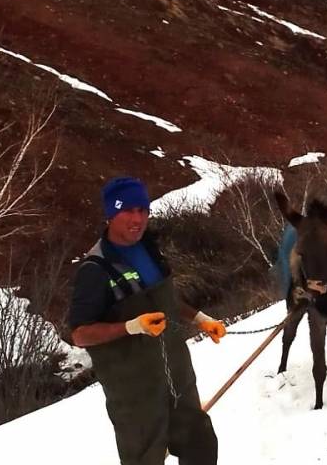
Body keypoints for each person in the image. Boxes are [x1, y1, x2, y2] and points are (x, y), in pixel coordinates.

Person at [68, 177, 227, 465]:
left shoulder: (149, 248)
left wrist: (201, 319)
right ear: (110, 214)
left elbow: (164, 302)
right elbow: (79, 333)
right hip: (134, 393)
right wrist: (131, 326)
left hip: (177, 376)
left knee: (200, 443)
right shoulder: (95, 269)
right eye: (127, 211)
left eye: (143, 210)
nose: (137, 219)